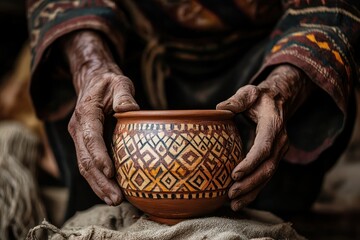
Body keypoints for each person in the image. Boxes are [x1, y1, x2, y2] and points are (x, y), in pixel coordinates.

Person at [27, 0, 359, 221]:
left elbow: (330, 10)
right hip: (128, 59)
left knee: (322, 80)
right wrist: (91, 65)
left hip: (263, 67)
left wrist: (282, 89)